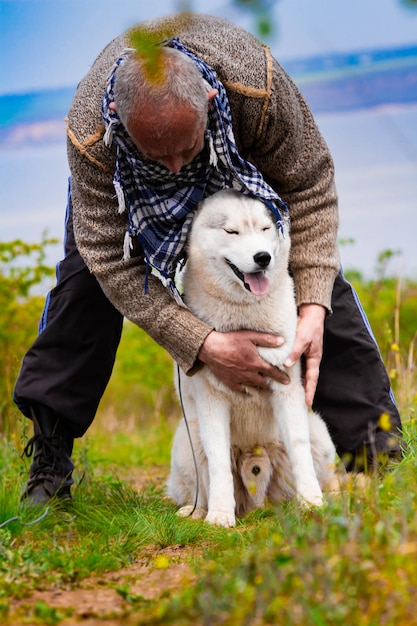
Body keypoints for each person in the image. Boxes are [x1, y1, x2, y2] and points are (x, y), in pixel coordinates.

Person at [14, 13, 403, 507]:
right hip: (124, 190)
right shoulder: (93, 134)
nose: (175, 167)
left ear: (211, 100)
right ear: (117, 114)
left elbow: (309, 187)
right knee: (82, 287)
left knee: (308, 284)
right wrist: (201, 343)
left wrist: (312, 306)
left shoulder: (254, 86)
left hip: (236, 164)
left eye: (185, 148)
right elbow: (111, 261)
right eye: (159, 155)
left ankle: (381, 453)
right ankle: (50, 461)